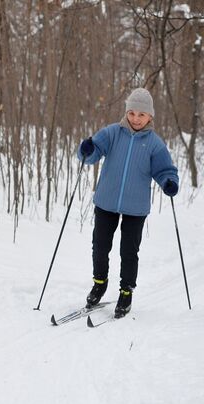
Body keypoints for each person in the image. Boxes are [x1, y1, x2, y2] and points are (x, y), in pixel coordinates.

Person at [78, 87, 179, 318]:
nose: (135, 119)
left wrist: (169, 182)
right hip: (106, 201)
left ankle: (126, 292)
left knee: (129, 251)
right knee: (100, 246)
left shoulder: (155, 144)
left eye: (141, 115)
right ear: (127, 112)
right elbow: (93, 152)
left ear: (150, 117)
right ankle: (99, 282)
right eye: (132, 113)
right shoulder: (112, 133)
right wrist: (87, 148)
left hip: (135, 208)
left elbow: (165, 170)